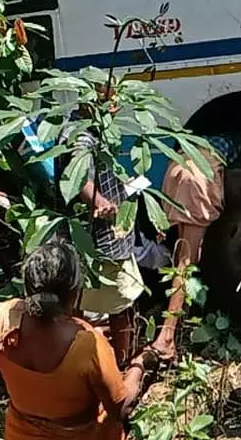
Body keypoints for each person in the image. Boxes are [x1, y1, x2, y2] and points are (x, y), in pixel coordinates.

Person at [0, 239, 157, 439]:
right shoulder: (88, 346)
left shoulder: (1, 319)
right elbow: (120, 407)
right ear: (75, 292)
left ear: (28, 287)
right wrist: (139, 365)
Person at [147, 135, 238, 361]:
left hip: (177, 170)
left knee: (181, 250)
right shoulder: (234, 144)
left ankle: (174, 315)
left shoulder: (196, 142)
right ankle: (167, 335)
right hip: (196, 182)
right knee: (186, 261)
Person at [70, 129, 145, 366]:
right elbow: (79, 176)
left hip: (101, 238)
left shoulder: (102, 130)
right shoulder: (81, 135)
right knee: (120, 304)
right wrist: (100, 203)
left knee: (80, 302)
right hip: (104, 241)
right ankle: (121, 365)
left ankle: (82, 360)